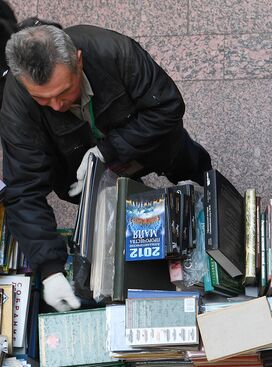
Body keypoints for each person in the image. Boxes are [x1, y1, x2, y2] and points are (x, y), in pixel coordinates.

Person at [0, 24, 213, 311]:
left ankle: (203, 181)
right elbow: (23, 190)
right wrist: (49, 268)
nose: (57, 106)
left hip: (153, 147)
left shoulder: (115, 51)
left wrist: (107, 150)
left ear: (78, 60)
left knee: (189, 165)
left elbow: (167, 107)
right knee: (114, 225)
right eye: (42, 99)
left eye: (64, 92)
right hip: (83, 176)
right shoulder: (17, 103)